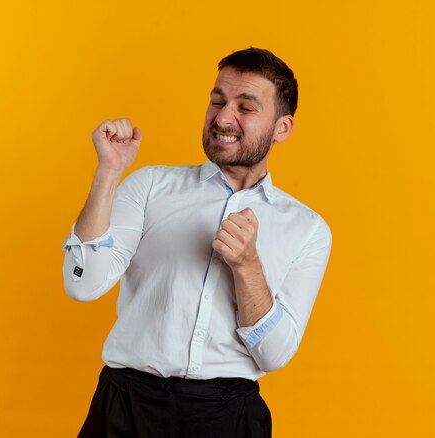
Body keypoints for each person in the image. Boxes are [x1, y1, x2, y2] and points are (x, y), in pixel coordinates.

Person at [61, 47, 332, 438]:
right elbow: (81, 284)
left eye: (246, 107)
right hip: (126, 408)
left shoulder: (307, 229)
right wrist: (109, 172)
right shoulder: (151, 185)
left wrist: (247, 266)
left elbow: (273, 355)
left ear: (282, 128)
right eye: (217, 100)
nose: (223, 117)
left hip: (228, 418)